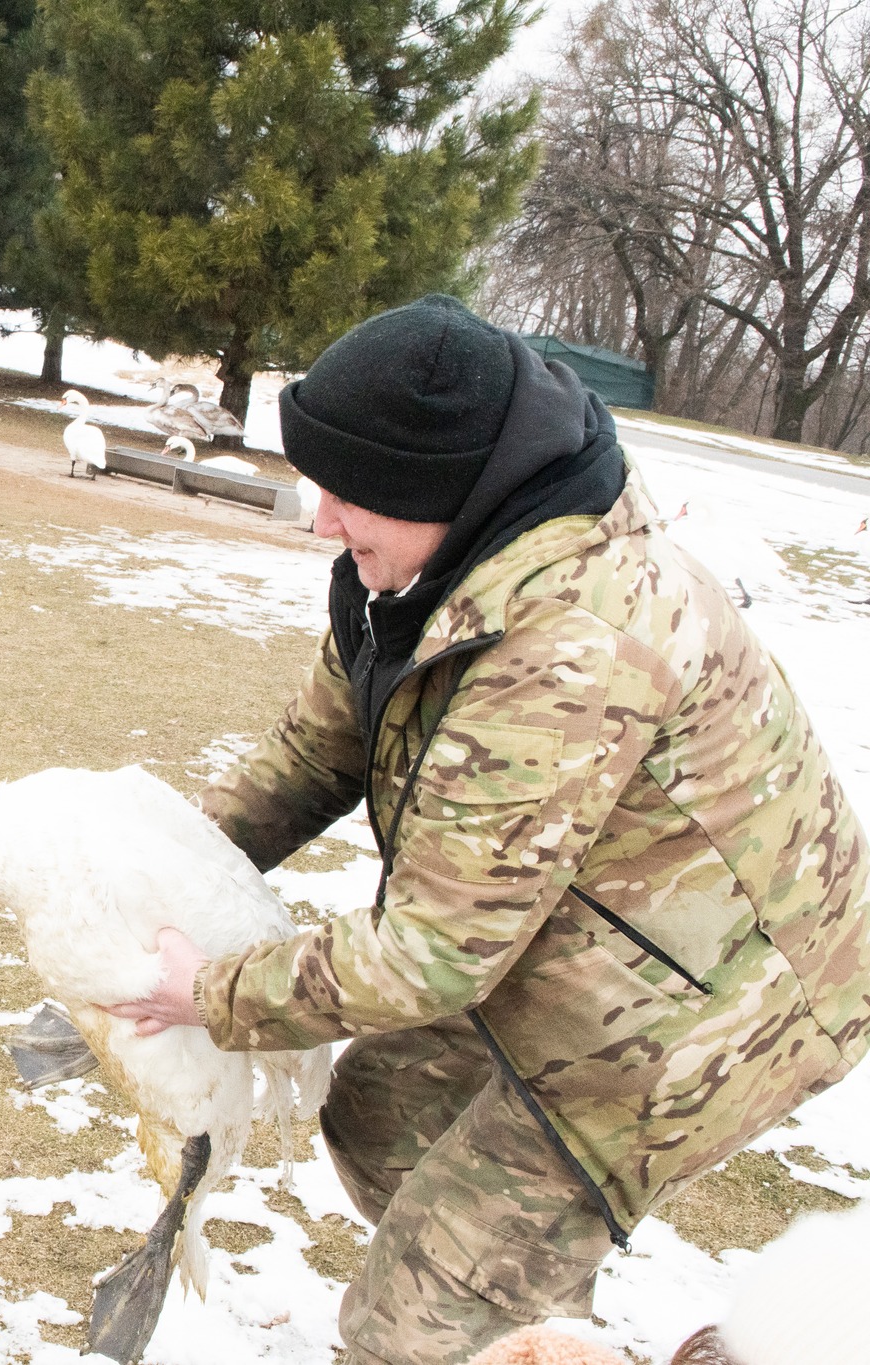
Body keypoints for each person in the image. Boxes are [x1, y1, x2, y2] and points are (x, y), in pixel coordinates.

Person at [101, 295, 870, 1365]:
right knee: (377, 1117)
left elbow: (431, 955)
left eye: (350, 493)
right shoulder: (424, 573)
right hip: (584, 939)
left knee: (406, 1327)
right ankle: (536, 1329)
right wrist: (144, 871)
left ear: (437, 491)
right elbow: (317, 752)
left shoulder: (568, 643)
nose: (321, 519)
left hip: (708, 1012)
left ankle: (505, 1322)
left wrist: (208, 995)